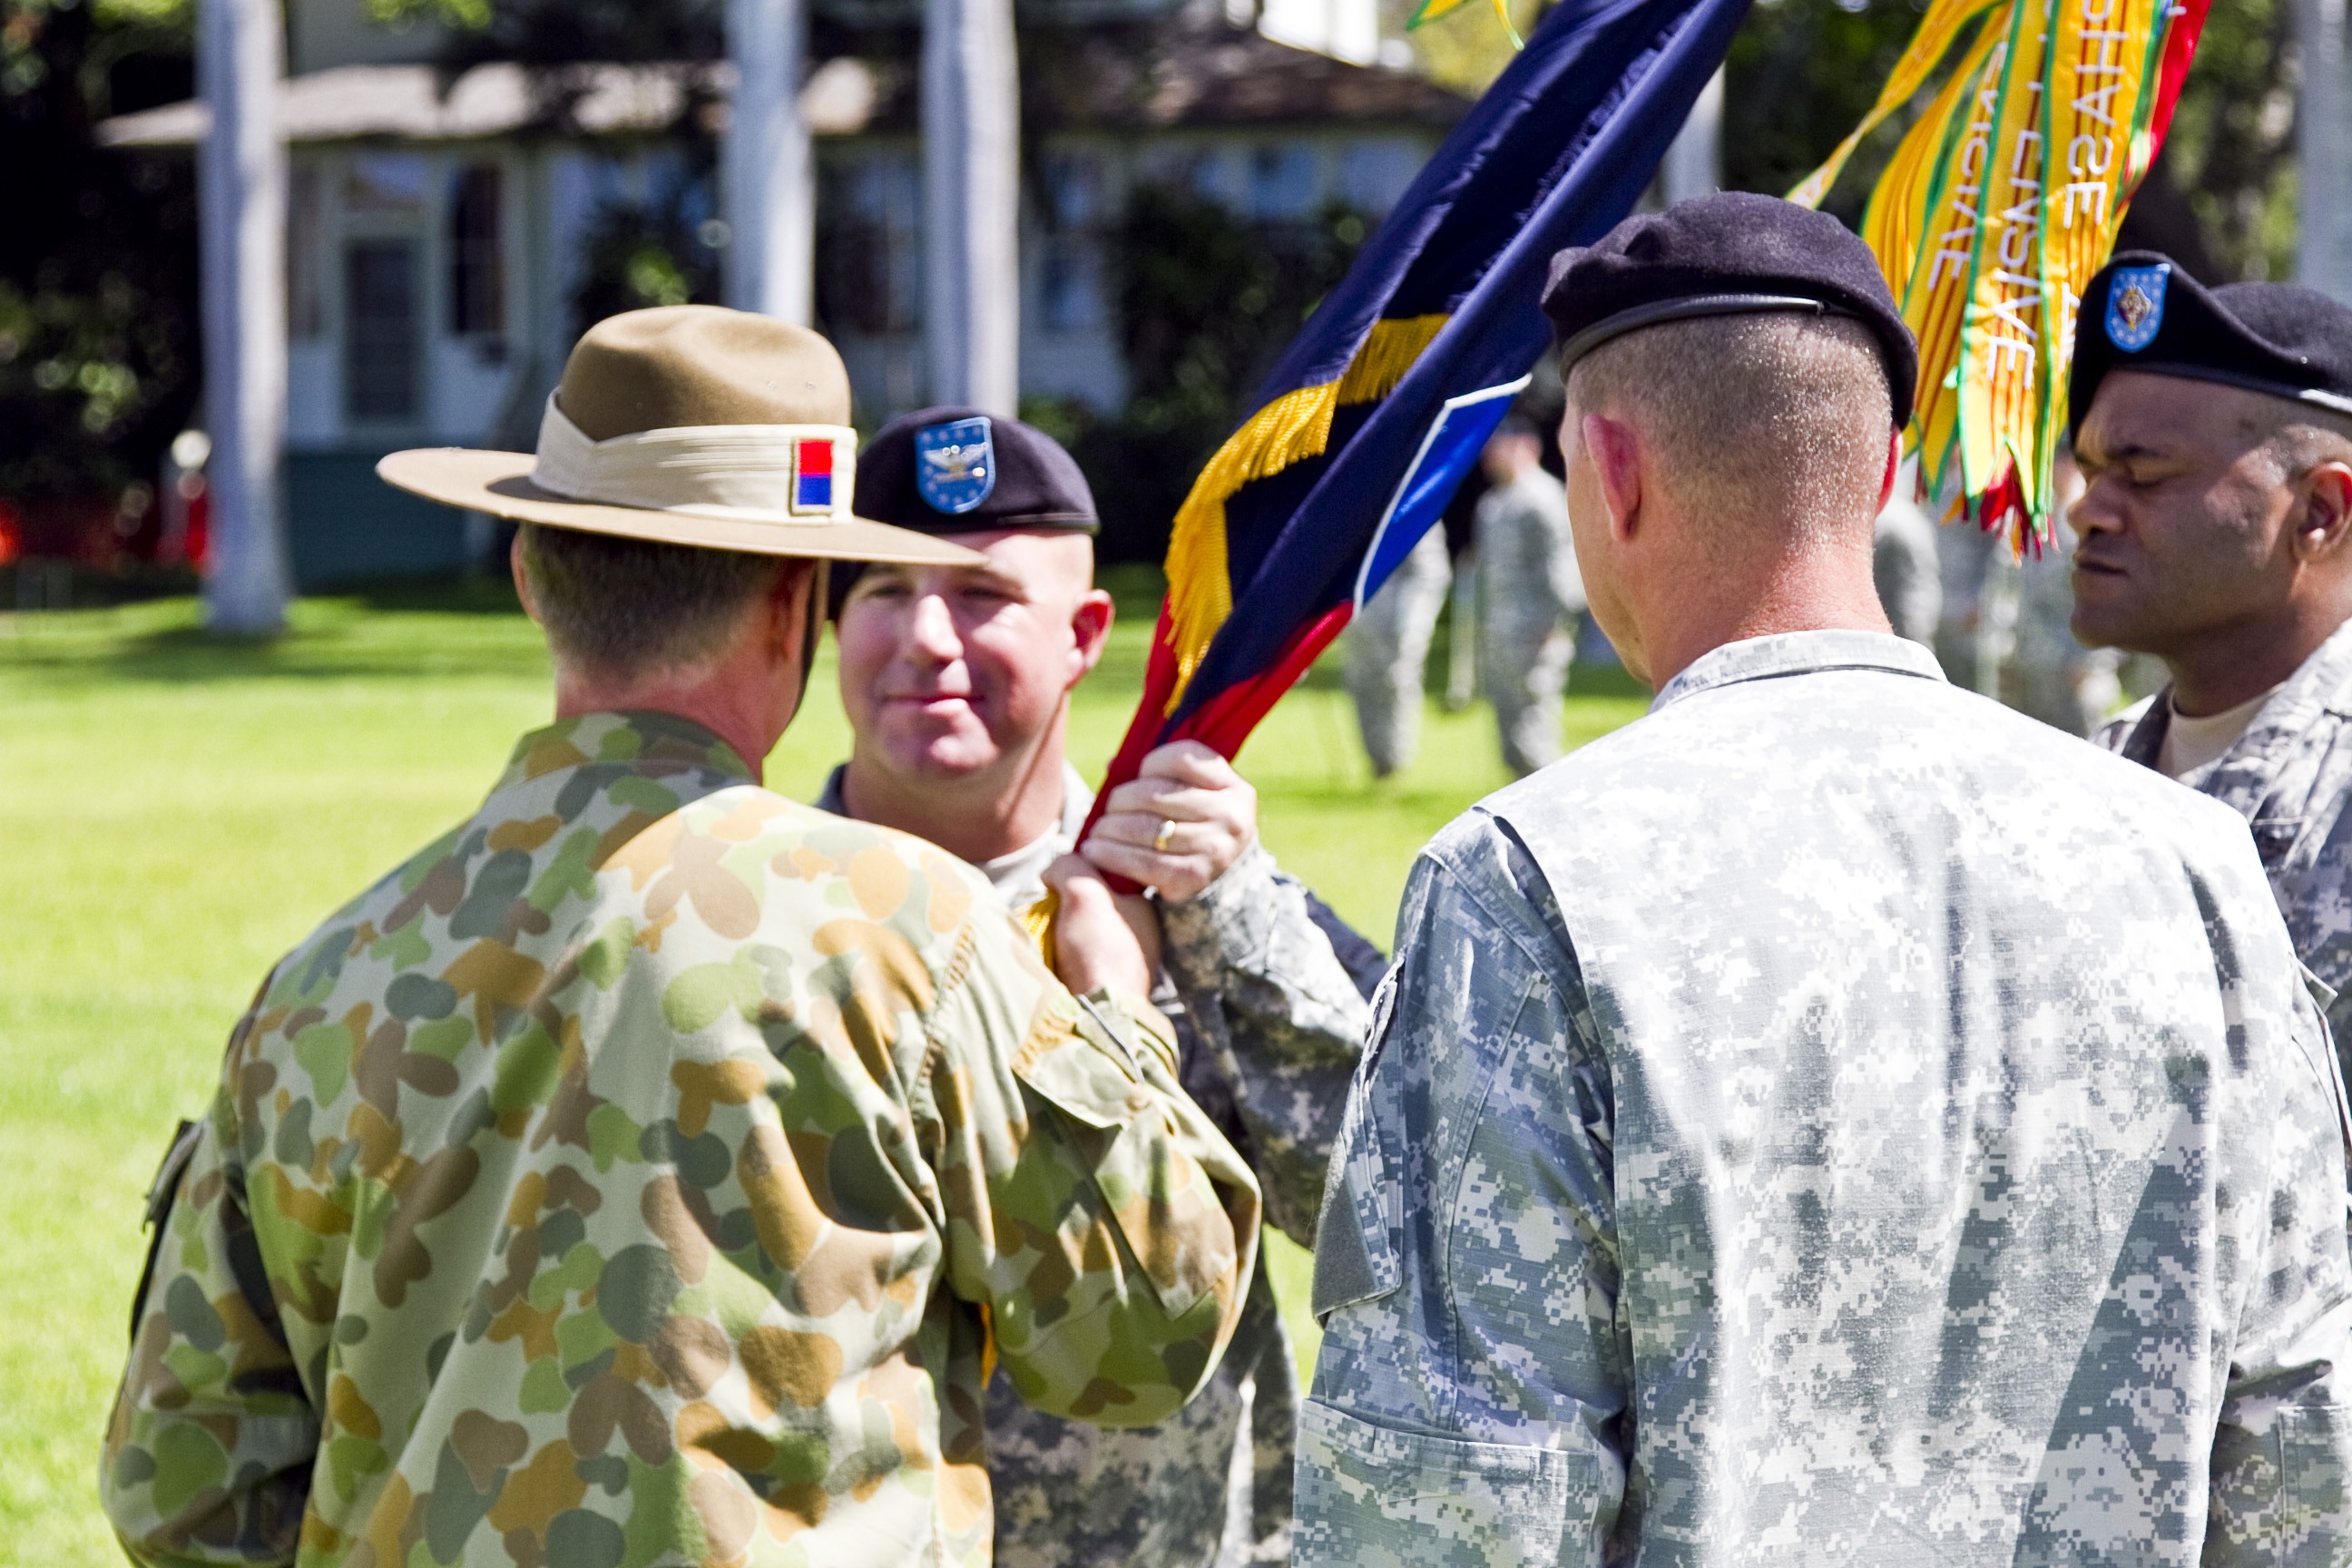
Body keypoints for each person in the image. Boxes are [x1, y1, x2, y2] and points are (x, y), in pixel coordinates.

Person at [99, 308, 1262, 1568]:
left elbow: (185, 1492)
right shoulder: (911, 933)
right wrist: (1120, 1011)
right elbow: (1145, 1334)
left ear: (533, 576)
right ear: (794, 603)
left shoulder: (326, 983)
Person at [1296, 193, 2352, 1564]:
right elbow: (2299, 1449)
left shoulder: (1534, 877)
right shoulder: (2189, 858)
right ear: (1878, 476)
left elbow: (1455, 1512)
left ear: (1610, 474)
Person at [822, 406, 1381, 1568]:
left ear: (1084, 635)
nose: (929, 636)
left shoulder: (1203, 902)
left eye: (983, 597)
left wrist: (1230, 919)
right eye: (882, 591)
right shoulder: (765, 913)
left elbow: (1377, 1227)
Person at [2069, 254, 2352, 1042]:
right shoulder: (2101, 769)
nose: (2087, 510)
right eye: (2091, 470)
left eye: (2145, 473)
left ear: (2320, 511)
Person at [1473, 413, 1585, 776]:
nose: (1490, 454)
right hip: (1500, 631)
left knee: (1534, 721)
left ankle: (1549, 800)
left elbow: (1560, 564)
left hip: (1534, 631)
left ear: (1526, 447)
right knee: (1508, 724)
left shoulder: (1543, 498)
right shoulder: (1493, 504)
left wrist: (1555, 621)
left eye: (1500, 445)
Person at [1345, 526, 1451, 777]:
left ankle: (1395, 760)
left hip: (1397, 628)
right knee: (1363, 689)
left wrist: (1412, 625)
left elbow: (1429, 572)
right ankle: (1377, 762)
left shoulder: (1416, 507)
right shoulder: (1360, 512)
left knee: (1396, 687)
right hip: (1362, 626)